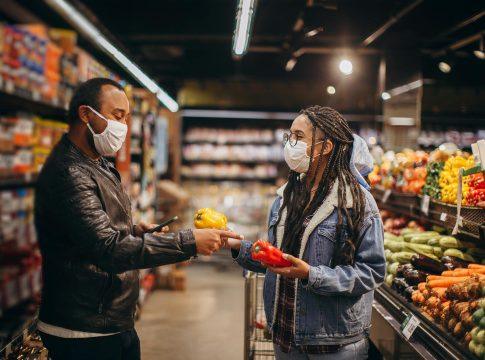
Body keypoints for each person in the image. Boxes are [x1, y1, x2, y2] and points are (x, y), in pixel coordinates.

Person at [34, 77, 241, 360]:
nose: (123, 126)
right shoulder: (69, 173)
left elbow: (88, 231)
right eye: (116, 116)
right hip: (83, 329)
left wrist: (133, 229)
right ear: (85, 114)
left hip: (109, 319)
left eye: (127, 117)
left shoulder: (98, 164)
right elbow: (108, 249)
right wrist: (188, 242)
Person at [228, 106, 386, 359]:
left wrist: (311, 275)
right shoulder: (285, 198)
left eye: (299, 137)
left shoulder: (357, 203)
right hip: (285, 337)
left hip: (333, 343)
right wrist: (239, 247)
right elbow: (278, 260)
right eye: (290, 136)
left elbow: (372, 272)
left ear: (325, 147)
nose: (291, 144)